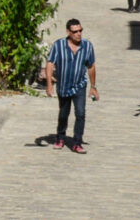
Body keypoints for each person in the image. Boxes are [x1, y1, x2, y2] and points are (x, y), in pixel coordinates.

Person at [42, 17, 99, 153]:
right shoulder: (59, 45)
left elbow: (91, 66)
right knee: (63, 114)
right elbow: (50, 64)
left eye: (80, 30)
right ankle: (60, 137)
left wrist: (93, 87)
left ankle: (77, 142)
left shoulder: (87, 46)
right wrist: (49, 84)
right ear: (68, 32)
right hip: (64, 85)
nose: (78, 34)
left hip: (80, 85)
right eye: (75, 32)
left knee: (80, 113)